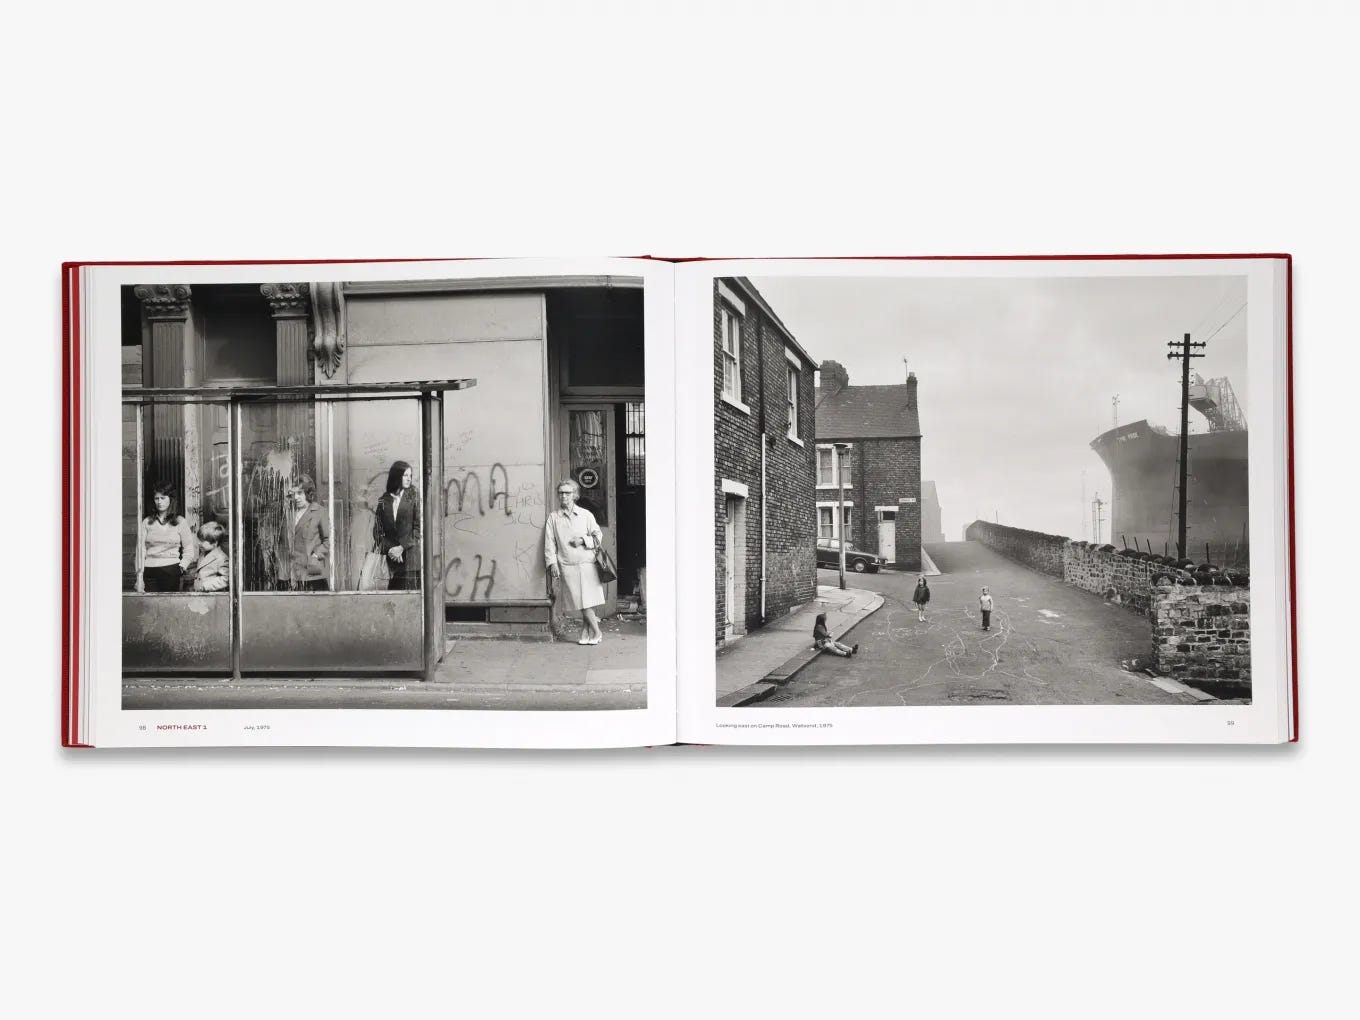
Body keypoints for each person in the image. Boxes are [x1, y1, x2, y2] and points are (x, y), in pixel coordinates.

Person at [544, 478, 605, 645]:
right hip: (567, 565)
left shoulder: (586, 515)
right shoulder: (554, 518)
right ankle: (587, 632)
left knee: (587, 602)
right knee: (581, 602)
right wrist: (552, 563)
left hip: (587, 565)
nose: (563, 496)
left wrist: (584, 540)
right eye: (561, 493)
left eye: (567, 493)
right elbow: (549, 542)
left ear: (575, 495)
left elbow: (598, 535)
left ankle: (596, 633)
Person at [135, 480, 196, 593]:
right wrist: (139, 576)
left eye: (163, 498)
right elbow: (140, 551)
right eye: (156, 498)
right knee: (150, 607)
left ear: (171, 499)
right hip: (149, 571)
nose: (159, 502)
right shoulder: (147, 522)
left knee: (168, 606)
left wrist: (181, 567)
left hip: (171, 570)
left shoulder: (180, 522)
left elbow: (189, 549)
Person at [373, 460, 421, 591]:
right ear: (396, 476)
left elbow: (419, 528)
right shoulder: (384, 499)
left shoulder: (414, 495)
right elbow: (377, 532)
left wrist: (402, 547)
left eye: (410, 475)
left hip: (411, 563)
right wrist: (391, 549)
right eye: (405, 475)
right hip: (391, 563)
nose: (409, 479)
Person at [285, 474, 331, 591]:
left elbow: (329, 540)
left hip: (312, 576)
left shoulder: (320, 512)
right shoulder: (289, 513)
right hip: (293, 574)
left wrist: (315, 556)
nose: (296, 497)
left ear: (309, 493)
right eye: (293, 494)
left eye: (300, 493)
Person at [190, 521, 230, 592]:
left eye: (202, 541)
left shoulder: (221, 558)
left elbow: (226, 578)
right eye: (199, 540)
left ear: (214, 543)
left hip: (211, 595)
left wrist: (206, 585)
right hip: (200, 593)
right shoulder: (203, 553)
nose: (199, 543)